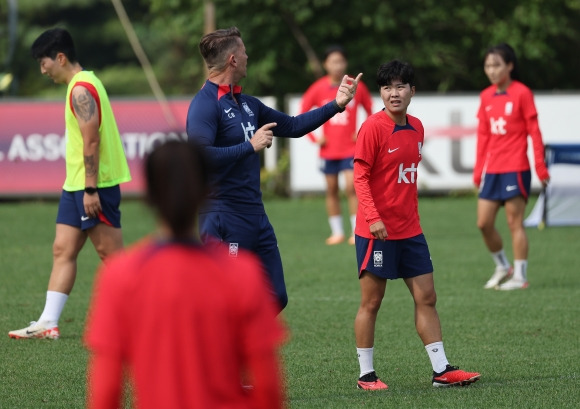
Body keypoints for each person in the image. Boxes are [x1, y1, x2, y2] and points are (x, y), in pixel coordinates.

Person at [84, 140, 285, 409]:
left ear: (149, 197)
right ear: (206, 192)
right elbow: (269, 388)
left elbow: (106, 391)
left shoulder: (120, 276)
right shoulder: (242, 273)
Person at [186, 27, 362, 311]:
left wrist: (337, 105)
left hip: (255, 215)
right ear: (232, 59)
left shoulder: (247, 103)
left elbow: (293, 126)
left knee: (275, 296)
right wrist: (249, 146)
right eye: (243, 51)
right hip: (224, 215)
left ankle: (235, 347)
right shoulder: (205, 106)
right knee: (227, 298)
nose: (247, 56)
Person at [352, 60, 480, 390]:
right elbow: (360, 178)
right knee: (372, 302)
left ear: (412, 91)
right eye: (386, 88)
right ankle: (366, 374)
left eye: (400, 87)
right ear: (381, 93)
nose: (393, 93)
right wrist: (373, 218)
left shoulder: (418, 127)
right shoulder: (371, 128)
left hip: (410, 230)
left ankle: (441, 370)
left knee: (427, 297)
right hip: (376, 232)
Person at [8, 28, 131, 340]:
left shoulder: (80, 90)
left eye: (44, 62)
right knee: (62, 249)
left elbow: (91, 141)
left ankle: (145, 321)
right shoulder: (82, 84)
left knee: (112, 258)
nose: (42, 70)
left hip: (94, 186)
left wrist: (90, 188)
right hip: (75, 185)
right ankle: (48, 322)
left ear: (60, 57)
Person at [474, 43, 550, 291]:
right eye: (488, 66)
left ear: (510, 66)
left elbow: (534, 132)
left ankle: (520, 276)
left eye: (497, 65)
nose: (492, 70)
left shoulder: (522, 93)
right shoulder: (485, 96)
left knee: (513, 222)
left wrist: (540, 166)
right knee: (483, 223)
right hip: (493, 170)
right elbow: (483, 135)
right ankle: (502, 265)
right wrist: (478, 169)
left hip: (515, 167)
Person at [300, 45, 373, 245]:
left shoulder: (356, 86)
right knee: (331, 190)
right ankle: (337, 232)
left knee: (352, 188)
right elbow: (303, 113)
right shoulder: (318, 88)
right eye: (333, 62)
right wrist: (315, 139)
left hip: (350, 149)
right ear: (325, 64)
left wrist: (361, 133)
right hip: (328, 151)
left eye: (340, 61)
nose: (337, 66)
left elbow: (370, 111)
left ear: (346, 63)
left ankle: (356, 231)